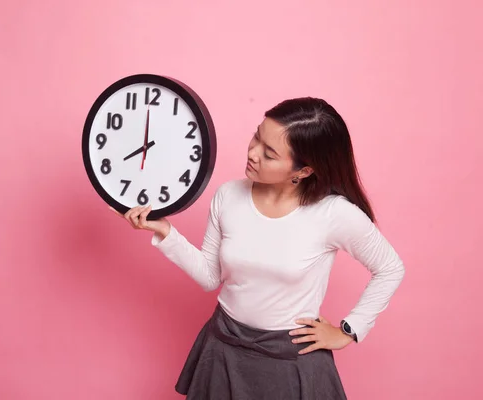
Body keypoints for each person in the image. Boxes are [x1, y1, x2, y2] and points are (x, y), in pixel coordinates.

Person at [110, 97, 405, 399]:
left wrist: (348, 331)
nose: (252, 153)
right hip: (223, 346)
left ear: (303, 171)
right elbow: (211, 277)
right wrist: (167, 233)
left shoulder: (334, 215)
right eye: (256, 137)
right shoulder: (228, 195)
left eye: (270, 153)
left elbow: (390, 268)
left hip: (290, 360)